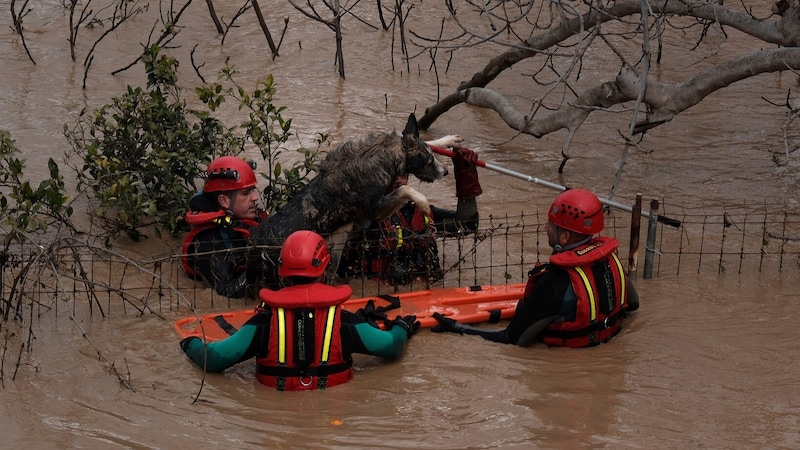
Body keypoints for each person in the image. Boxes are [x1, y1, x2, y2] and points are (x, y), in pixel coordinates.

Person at [180, 230, 420, 391]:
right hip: (332, 414)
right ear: (325, 269)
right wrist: (402, 328)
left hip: (276, 420)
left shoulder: (262, 324)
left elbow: (213, 360)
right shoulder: (346, 323)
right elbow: (391, 347)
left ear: (282, 272)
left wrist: (189, 343)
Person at [431, 188, 640, 347]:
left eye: (551, 225)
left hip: (563, 374)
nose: (545, 228)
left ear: (565, 236)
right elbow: (634, 305)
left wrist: (458, 328)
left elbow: (512, 340)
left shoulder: (553, 282)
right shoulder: (612, 261)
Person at [337, 146, 482, 284]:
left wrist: (466, 179)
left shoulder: (421, 210)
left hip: (423, 293)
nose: (399, 180)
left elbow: (465, 226)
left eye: (403, 175)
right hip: (377, 294)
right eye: (393, 175)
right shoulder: (360, 214)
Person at [181, 155, 267, 298]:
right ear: (224, 201)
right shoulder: (208, 242)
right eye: (246, 193)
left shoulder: (244, 217)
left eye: (253, 190)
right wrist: (258, 264)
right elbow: (226, 292)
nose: (255, 197)